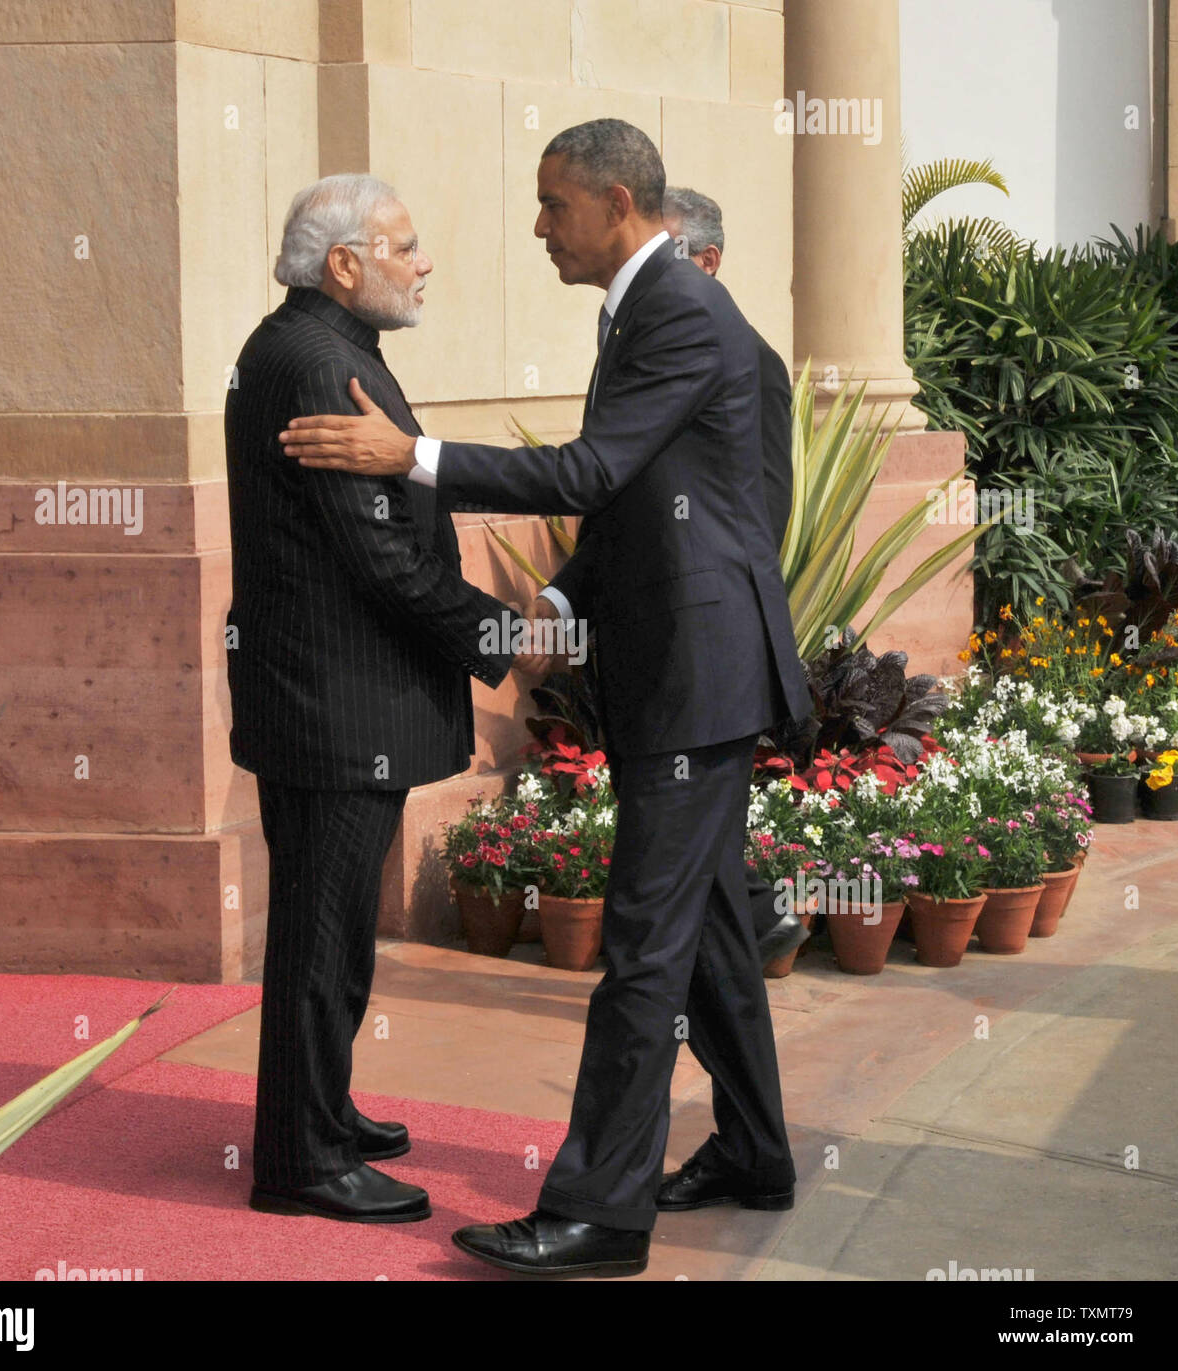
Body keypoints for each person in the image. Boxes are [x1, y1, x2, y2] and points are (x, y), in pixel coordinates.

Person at [279, 119, 813, 1278]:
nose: (536, 227)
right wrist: (565, 604)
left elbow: (584, 472)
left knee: (641, 953)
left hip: (695, 685)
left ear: (617, 204)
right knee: (711, 929)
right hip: (674, 671)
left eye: (552, 205)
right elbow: (632, 494)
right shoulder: (642, 303)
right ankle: (756, 1154)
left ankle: (599, 1216)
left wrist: (407, 459)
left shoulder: (676, 306)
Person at [225, 174, 519, 1225]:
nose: (423, 260)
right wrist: (509, 636)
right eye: (404, 243)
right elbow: (381, 556)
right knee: (319, 934)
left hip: (330, 699)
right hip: (332, 707)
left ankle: (321, 1113)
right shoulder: (314, 362)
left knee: (336, 932)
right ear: (341, 265)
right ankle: (300, 1161)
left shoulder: (318, 346)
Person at [663, 185, 808, 967]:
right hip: (659, 645)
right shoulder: (649, 347)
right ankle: (752, 926)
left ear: (707, 262)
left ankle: (756, 917)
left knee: (690, 841)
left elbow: (763, 515)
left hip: (712, 641)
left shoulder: (753, 362)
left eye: (670, 254)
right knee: (690, 843)